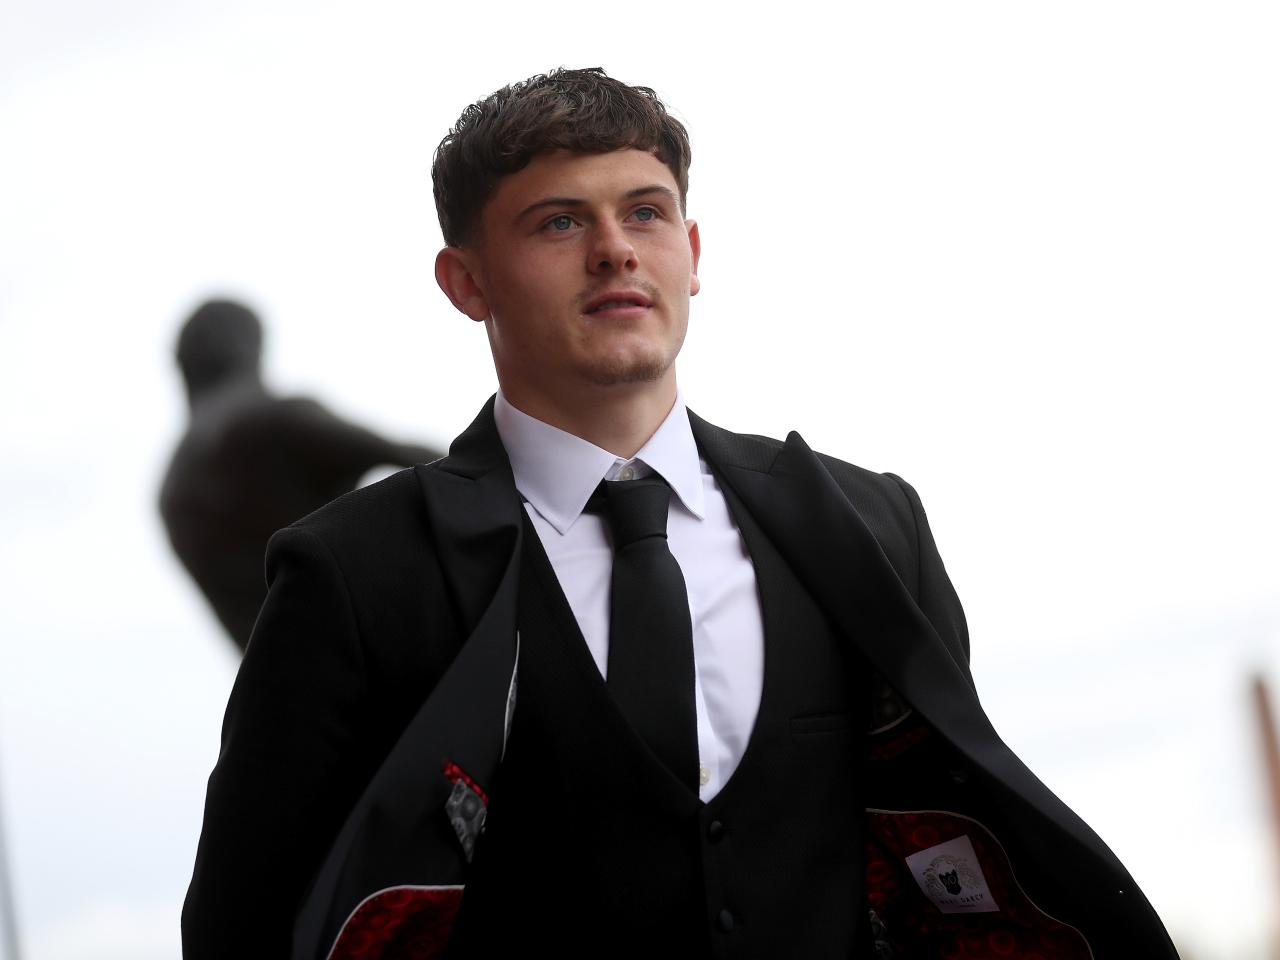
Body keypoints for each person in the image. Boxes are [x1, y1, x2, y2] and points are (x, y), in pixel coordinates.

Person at [183, 69, 1178, 958]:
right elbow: (245, 925)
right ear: (466, 282)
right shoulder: (354, 574)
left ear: (691, 252)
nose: (614, 250)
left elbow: (950, 866)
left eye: (645, 213)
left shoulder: (867, 527)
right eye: (559, 222)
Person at [160, 299, 441, 652]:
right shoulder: (275, 421)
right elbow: (424, 462)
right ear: (243, 350)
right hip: (388, 666)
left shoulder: (171, 492)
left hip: (283, 693)